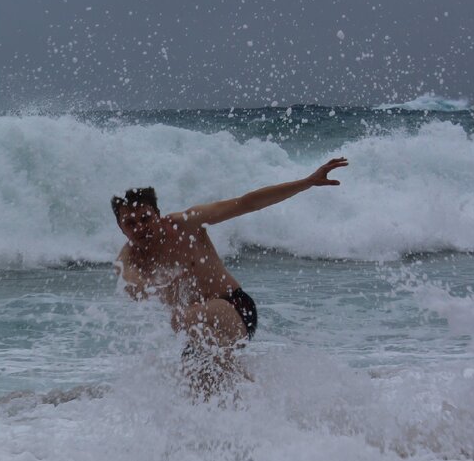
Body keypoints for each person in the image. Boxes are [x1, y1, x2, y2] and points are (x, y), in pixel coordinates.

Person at [113, 157, 348, 394]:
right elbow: (133, 284)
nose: (140, 227)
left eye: (145, 218)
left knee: (181, 319)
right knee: (201, 398)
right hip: (197, 334)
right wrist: (140, 287)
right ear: (121, 228)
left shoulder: (186, 224)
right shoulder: (129, 260)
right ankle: (273, 400)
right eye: (130, 223)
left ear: (158, 214)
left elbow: (247, 203)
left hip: (235, 308)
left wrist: (306, 182)